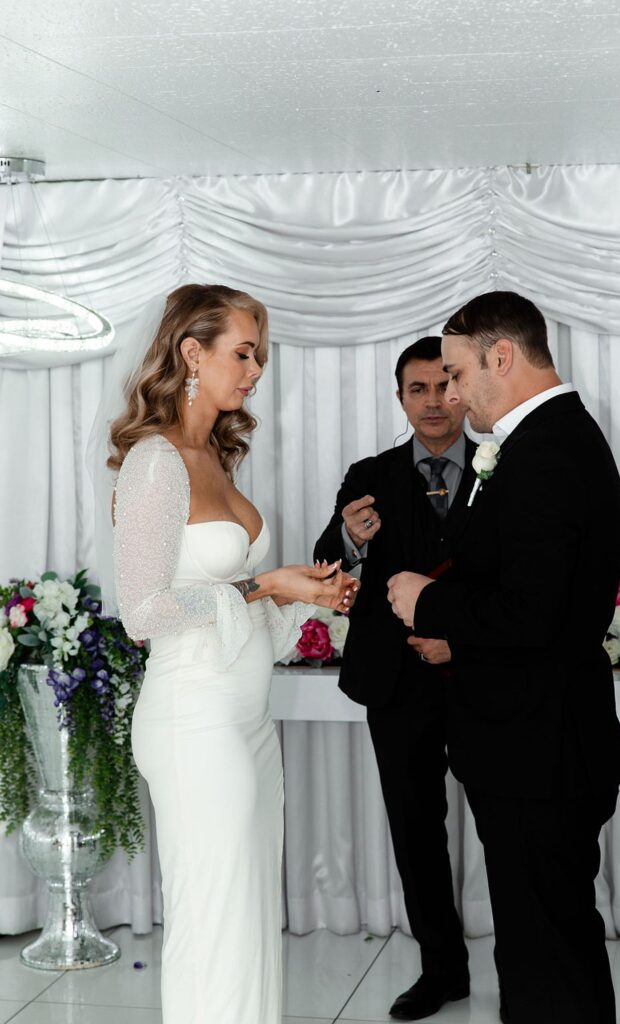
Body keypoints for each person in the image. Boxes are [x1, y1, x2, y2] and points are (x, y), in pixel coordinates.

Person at [108, 284, 359, 1024]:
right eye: (242, 352)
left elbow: (229, 595)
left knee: (247, 914)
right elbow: (142, 611)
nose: (254, 370)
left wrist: (296, 593)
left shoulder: (212, 454)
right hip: (193, 722)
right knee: (215, 918)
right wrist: (263, 584)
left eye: (260, 356)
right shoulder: (156, 462)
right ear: (192, 352)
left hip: (245, 722)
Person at [387, 291, 620, 1024]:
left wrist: (423, 601)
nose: (452, 395)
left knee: (546, 955)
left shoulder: (548, 451)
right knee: (541, 947)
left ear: (502, 356)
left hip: (540, 751)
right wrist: (458, 633)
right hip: (537, 745)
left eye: (458, 374)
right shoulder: (546, 440)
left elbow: (535, 613)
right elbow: (535, 601)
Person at [314, 336, 476, 1021]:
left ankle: (528, 959)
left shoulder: (506, 469)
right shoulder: (369, 471)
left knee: (510, 824)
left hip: (481, 678)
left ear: (462, 390)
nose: (434, 402)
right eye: (418, 390)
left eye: (444, 387)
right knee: (415, 831)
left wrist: (460, 640)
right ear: (399, 397)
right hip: (396, 685)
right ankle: (442, 970)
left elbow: (518, 579)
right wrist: (350, 540)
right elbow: (327, 563)